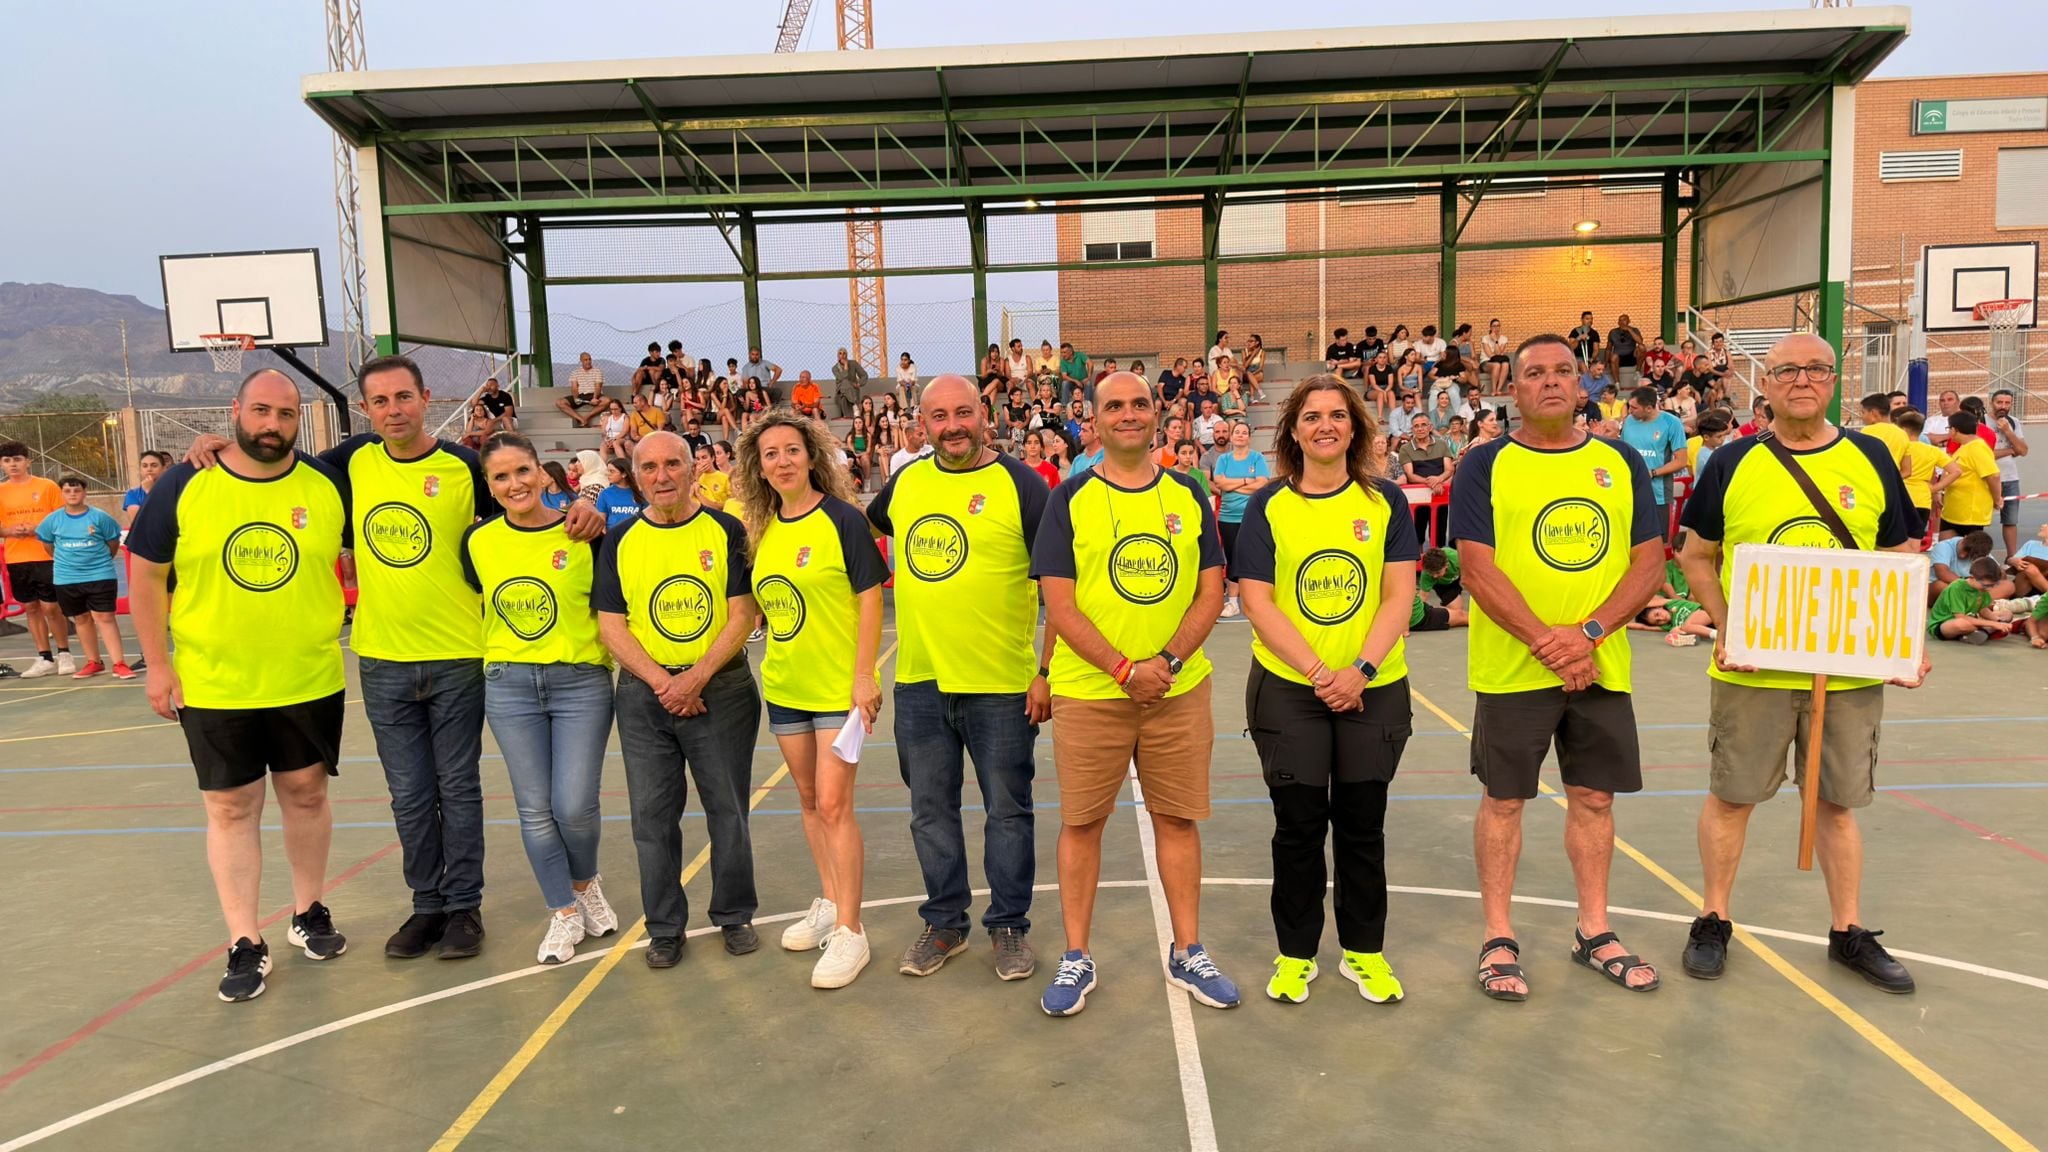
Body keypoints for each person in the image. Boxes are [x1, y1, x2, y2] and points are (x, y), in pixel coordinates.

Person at [1676, 331, 1926, 994]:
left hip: (1845, 672)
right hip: (1752, 672)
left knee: (1837, 805)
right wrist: (1730, 627)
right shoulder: (1731, 463)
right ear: (1769, 384)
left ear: (1832, 380)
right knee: (1732, 797)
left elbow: (1901, 555)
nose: (1802, 381)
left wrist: (1906, 643)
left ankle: (1848, 930)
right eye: (1788, 370)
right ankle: (1713, 918)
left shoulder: (1871, 457)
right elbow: (1695, 557)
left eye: (1816, 369)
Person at [1447, 335, 1667, 1002]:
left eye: (1562, 372)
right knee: (1505, 800)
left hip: (1601, 667)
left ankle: (1593, 930)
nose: (1548, 382)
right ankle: (1497, 936)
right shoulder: (1483, 465)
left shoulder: (1621, 460)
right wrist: (1552, 643)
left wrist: (1590, 635)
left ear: (1583, 386)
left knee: (1594, 798)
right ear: (1513, 390)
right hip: (1514, 671)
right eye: (1533, 373)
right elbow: (1478, 569)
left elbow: (1649, 561)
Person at [127, 370, 352, 1002]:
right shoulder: (183, 483)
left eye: (285, 414)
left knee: (306, 794)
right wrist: (158, 665)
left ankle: (308, 911)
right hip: (214, 680)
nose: (272, 424)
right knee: (230, 807)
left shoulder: (328, 483)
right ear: (235, 411)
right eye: (260, 411)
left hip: (306, 674)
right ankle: (244, 941)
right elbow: (145, 578)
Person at [1030, 370, 1236, 1016]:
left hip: (1177, 690)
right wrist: (1125, 669)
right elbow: (1058, 605)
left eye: (1139, 404)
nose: (1128, 414)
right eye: (1113, 405)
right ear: (1093, 420)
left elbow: (1212, 587)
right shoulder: (1069, 500)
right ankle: (1076, 955)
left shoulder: (1187, 491)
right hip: (1092, 694)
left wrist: (1167, 660)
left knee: (1177, 819)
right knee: (1082, 823)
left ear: (1157, 415)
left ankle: (1188, 949)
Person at [1235, 377, 1419, 1005]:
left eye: (1337, 416)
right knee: (1298, 828)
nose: (1325, 426)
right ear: (1292, 430)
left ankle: (1365, 952)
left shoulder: (1386, 502)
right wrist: (1320, 672)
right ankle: (1296, 954)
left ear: (1354, 427)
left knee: (1364, 827)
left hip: (1375, 688)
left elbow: (1400, 595)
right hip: (1291, 691)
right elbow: (1255, 599)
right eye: (1311, 416)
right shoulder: (1268, 507)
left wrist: (1359, 671)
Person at [865, 376, 1050, 981]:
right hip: (920, 683)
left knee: (1007, 810)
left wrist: (1044, 673)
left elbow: (1059, 588)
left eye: (963, 412)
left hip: (1001, 684)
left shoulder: (1022, 485)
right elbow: (861, 527)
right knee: (930, 811)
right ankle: (945, 924)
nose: (952, 426)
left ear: (984, 414)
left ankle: (1009, 928)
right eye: (939, 416)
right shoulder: (905, 485)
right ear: (921, 424)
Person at [590, 432, 762, 966]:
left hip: (722, 689)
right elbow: (611, 627)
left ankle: (734, 915)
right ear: (634, 475)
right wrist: (665, 683)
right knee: (651, 817)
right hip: (646, 698)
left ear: (693, 470)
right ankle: (665, 926)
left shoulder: (725, 529)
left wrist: (696, 677)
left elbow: (742, 614)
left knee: (728, 810)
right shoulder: (619, 540)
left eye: (672, 465)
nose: (661, 476)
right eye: (649, 467)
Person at [733, 412, 887, 988]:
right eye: (770, 454)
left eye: (791, 450)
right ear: (760, 467)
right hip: (787, 686)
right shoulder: (763, 529)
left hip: (836, 688)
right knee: (805, 798)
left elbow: (870, 601)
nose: (782, 461)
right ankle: (827, 901)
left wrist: (864, 677)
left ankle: (851, 931)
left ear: (811, 455)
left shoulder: (843, 520)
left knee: (833, 805)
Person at [461, 432, 619, 965]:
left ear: (542, 474)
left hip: (581, 681)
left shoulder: (586, 533)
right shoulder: (478, 542)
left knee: (573, 806)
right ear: (489, 485)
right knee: (534, 810)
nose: (514, 484)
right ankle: (564, 912)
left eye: (522, 471)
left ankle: (585, 883)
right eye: (501, 477)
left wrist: (593, 496)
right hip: (509, 684)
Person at [35, 476, 130, 679]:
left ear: (84, 492)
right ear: (62, 494)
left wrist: (100, 561)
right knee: (81, 618)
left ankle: (119, 663)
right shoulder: (52, 520)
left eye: (76, 490)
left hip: (100, 574)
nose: (72, 494)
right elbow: (48, 545)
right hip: (67, 578)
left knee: (105, 617)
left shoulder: (100, 517)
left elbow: (112, 543)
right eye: (67, 491)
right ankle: (94, 662)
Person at [1, 441, 73, 676]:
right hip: (17, 558)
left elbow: (62, 517)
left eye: (18, 459)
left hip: (46, 554)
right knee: (30, 607)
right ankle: (44, 657)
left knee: (51, 607)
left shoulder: (47, 486)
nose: (13, 464)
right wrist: (10, 531)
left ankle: (64, 653)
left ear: (28, 461)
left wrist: (38, 528)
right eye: (7, 460)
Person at [1211, 420, 1273, 621]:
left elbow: (1262, 484)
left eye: (1244, 432)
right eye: (1236, 432)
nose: (1240, 435)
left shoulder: (1257, 458)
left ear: (1249, 437)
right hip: (1228, 517)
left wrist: (1233, 485)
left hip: (1252, 516)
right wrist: (1248, 482)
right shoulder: (1224, 459)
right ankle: (1233, 602)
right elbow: (1219, 482)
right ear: (1231, 436)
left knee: (1253, 557)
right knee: (1233, 558)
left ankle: (1257, 600)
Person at [1618, 387, 1689, 535]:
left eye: (1634, 408)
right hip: (1630, 492)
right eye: (1629, 406)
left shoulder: (1672, 423)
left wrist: (1653, 473)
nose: (1630, 411)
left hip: (1658, 494)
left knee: (1658, 542)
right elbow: (1623, 452)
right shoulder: (1629, 421)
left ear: (1649, 408)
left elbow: (1681, 461)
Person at [1889, 410, 1957, 533]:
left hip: (1899, 498)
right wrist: (1935, 488)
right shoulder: (1932, 451)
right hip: (1922, 499)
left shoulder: (1898, 448)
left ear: (1903, 429)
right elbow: (1956, 471)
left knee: (1897, 542)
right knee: (1915, 541)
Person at [1938, 412, 2001, 540]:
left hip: (1969, 512)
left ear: (1954, 430)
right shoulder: (1964, 447)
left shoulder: (1977, 448)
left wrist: (1997, 499)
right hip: (1954, 511)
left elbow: (1993, 475)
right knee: (1945, 549)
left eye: (1949, 428)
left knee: (1967, 553)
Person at [1398, 417, 1454, 547]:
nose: (1420, 428)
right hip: (1417, 497)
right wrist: (1432, 482)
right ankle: (1417, 566)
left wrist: (1438, 480)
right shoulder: (1405, 449)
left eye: (1423, 425)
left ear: (1430, 427)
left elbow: (1449, 469)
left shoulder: (1442, 444)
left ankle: (1438, 566)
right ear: (1412, 429)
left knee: (1439, 534)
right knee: (1417, 534)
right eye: (1416, 426)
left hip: (1439, 494)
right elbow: (1410, 476)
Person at [1988, 390, 2030, 559]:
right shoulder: (1982, 421)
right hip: (1988, 476)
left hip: (2010, 478)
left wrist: (2008, 431)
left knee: (2011, 520)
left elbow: (2023, 450)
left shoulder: (2013, 422)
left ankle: (2011, 557)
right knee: (1981, 519)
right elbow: (1985, 454)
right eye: (1999, 402)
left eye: (2007, 403)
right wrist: (2010, 450)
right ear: (1992, 403)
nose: (2003, 407)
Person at [556, 352, 605, 427]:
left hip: (593, 395)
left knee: (607, 400)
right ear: (581, 361)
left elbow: (598, 387)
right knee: (559, 402)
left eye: (589, 359)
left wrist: (594, 398)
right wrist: (576, 398)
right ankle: (581, 419)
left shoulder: (597, 371)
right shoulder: (575, 372)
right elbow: (574, 387)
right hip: (580, 396)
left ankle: (587, 417)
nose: (588, 361)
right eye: (585, 360)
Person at [124, 449, 169, 527]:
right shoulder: (133, 494)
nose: (149, 469)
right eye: (145, 466)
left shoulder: (172, 490)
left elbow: (168, 518)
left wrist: (150, 491)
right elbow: (139, 522)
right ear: (140, 470)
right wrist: (149, 491)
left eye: (154, 465)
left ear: (163, 469)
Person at [831, 348, 868, 418]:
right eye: (840, 353)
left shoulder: (853, 363)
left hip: (853, 390)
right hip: (840, 392)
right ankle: (855, 405)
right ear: (837, 355)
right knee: (845, 382)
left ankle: (850, 413)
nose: (842, 355)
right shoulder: (835, 368)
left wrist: (859, 384)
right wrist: (846, 366)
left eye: (844, 353)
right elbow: (843, 377)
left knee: (844, 397)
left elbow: (864, 375)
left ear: (847, 355)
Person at [1481, 319, 1512, 394]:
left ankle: (1499, 389)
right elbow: (1490, 356)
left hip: (1499, 362)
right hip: (1486, 362)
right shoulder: (1485, 338)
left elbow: (1497, 353)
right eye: (1494, 326)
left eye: (1498, 326)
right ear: (1490, 328)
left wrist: (1495, 340)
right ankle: (1493, 389)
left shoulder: (1504, 339)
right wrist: (1497, 352)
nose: (1496, 328)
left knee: (1505, 364)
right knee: (1497, 365)